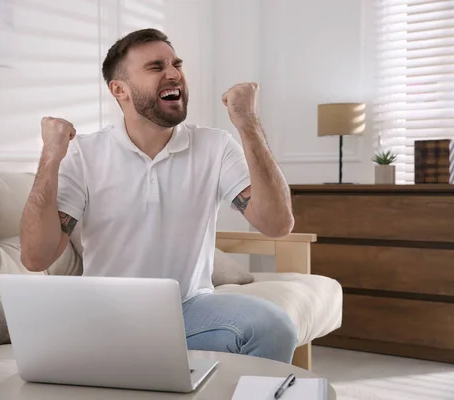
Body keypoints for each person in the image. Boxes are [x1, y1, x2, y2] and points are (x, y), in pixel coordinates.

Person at [20, 28, 298, 363]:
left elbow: (277, 224)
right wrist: (51, 154)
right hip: (108, 315)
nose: (173, 73)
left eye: (176, 64)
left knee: (274, 327)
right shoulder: (84, 153)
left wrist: (248, 123)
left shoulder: (215, 146)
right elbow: (36, 258)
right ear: (119, 89)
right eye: (155, 67)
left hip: (189, 309)